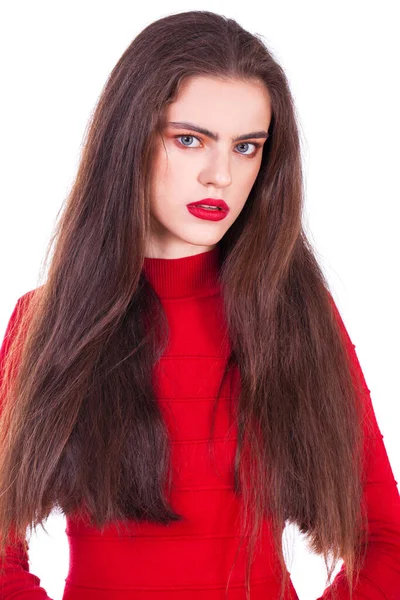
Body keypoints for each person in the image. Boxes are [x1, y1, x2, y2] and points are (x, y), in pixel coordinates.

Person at [0, 9, 399, 600]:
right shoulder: (47, 321)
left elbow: (385, 539)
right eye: (190, 140)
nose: (221, 175)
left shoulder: (297, 316)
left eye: (246, 148)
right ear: (130, 139)